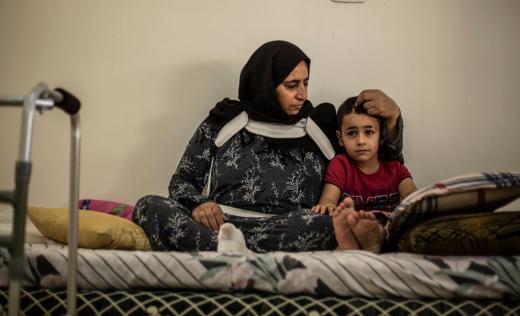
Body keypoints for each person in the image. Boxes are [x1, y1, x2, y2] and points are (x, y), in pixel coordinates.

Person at [132, 40, 404, 252]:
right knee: (148, 206)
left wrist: (392, 120)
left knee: (345, 223)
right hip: (223, 226)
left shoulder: (318, 125)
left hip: (294, 227)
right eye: (291, 85)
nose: (303, 94)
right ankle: (229, 246)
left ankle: (230, 253)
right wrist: (199, 204)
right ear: (266, 83)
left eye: (306, 83)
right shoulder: (224, 120)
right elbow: (183, 179)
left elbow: (374, 165)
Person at [311, 96, 416, 253]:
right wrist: (326, 207)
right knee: (340, 235)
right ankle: (358, 246)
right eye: (352, 133)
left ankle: (374, 241)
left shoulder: (395, 168)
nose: (361, 140)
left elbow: (414, 197)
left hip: (387, 227)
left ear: (381, 136)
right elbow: (328, 199)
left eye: (368, 132)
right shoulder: (341, 165)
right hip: (351, 227)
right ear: (340, 138)